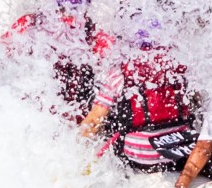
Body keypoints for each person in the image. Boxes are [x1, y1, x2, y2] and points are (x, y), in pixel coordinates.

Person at [77, 29, 197, 172]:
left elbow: (94, 121)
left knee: (113, 132)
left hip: (142, 159)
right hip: (181, 153)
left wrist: (76, 147)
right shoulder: (181, 65)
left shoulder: (120, 72)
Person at [2, 0, 110, 119]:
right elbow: (113, 64)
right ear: (88, 1)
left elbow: (1, 51)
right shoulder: (94, 35)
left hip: (27, 109)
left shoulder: (30, 22)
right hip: (73, 116)